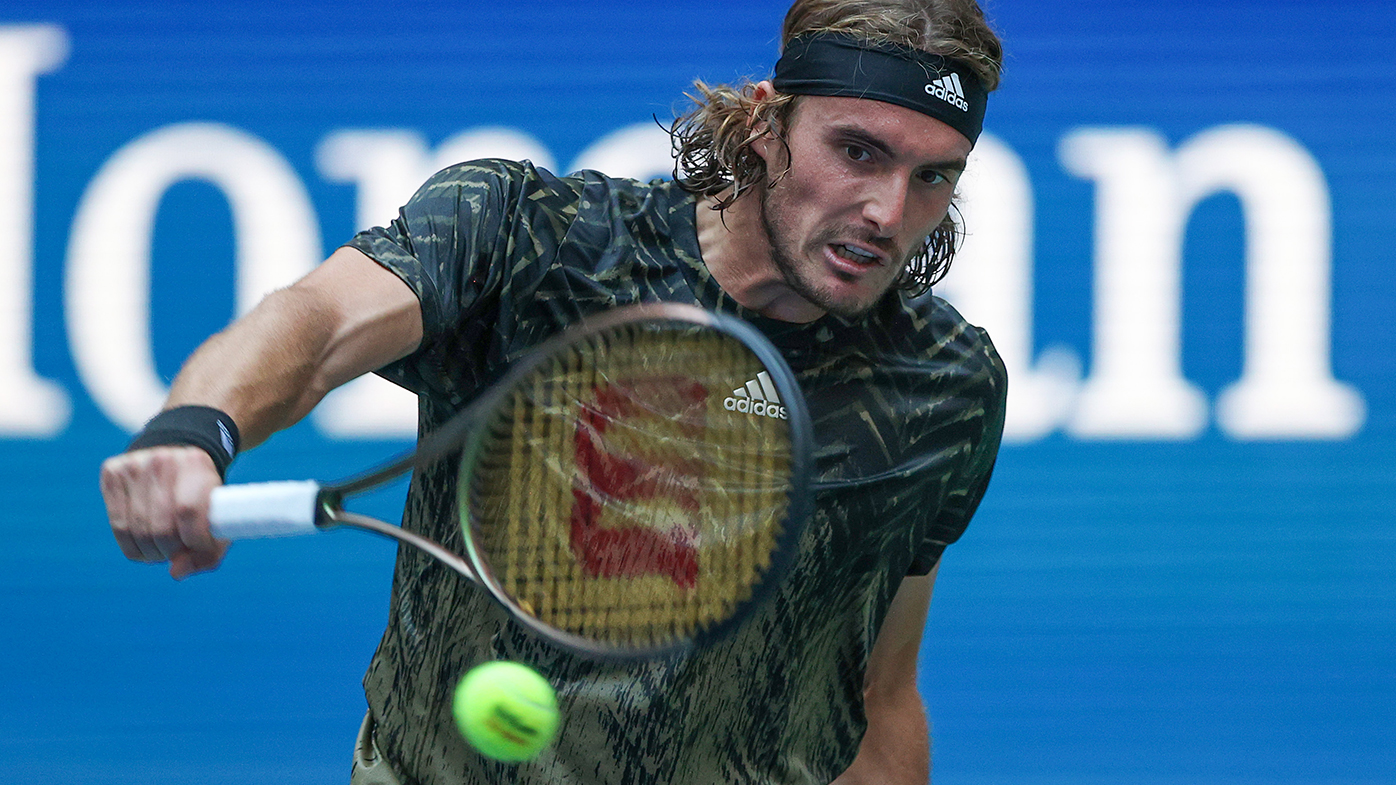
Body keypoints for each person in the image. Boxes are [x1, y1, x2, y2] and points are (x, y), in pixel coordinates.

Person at [99, 0, 1006, 782]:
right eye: (857, 151)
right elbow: (317, 321)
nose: (889, 211)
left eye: (934, 176)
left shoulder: (944, 386)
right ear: (767, 128)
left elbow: (878, 691)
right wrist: (193, 429)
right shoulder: (532, 238)